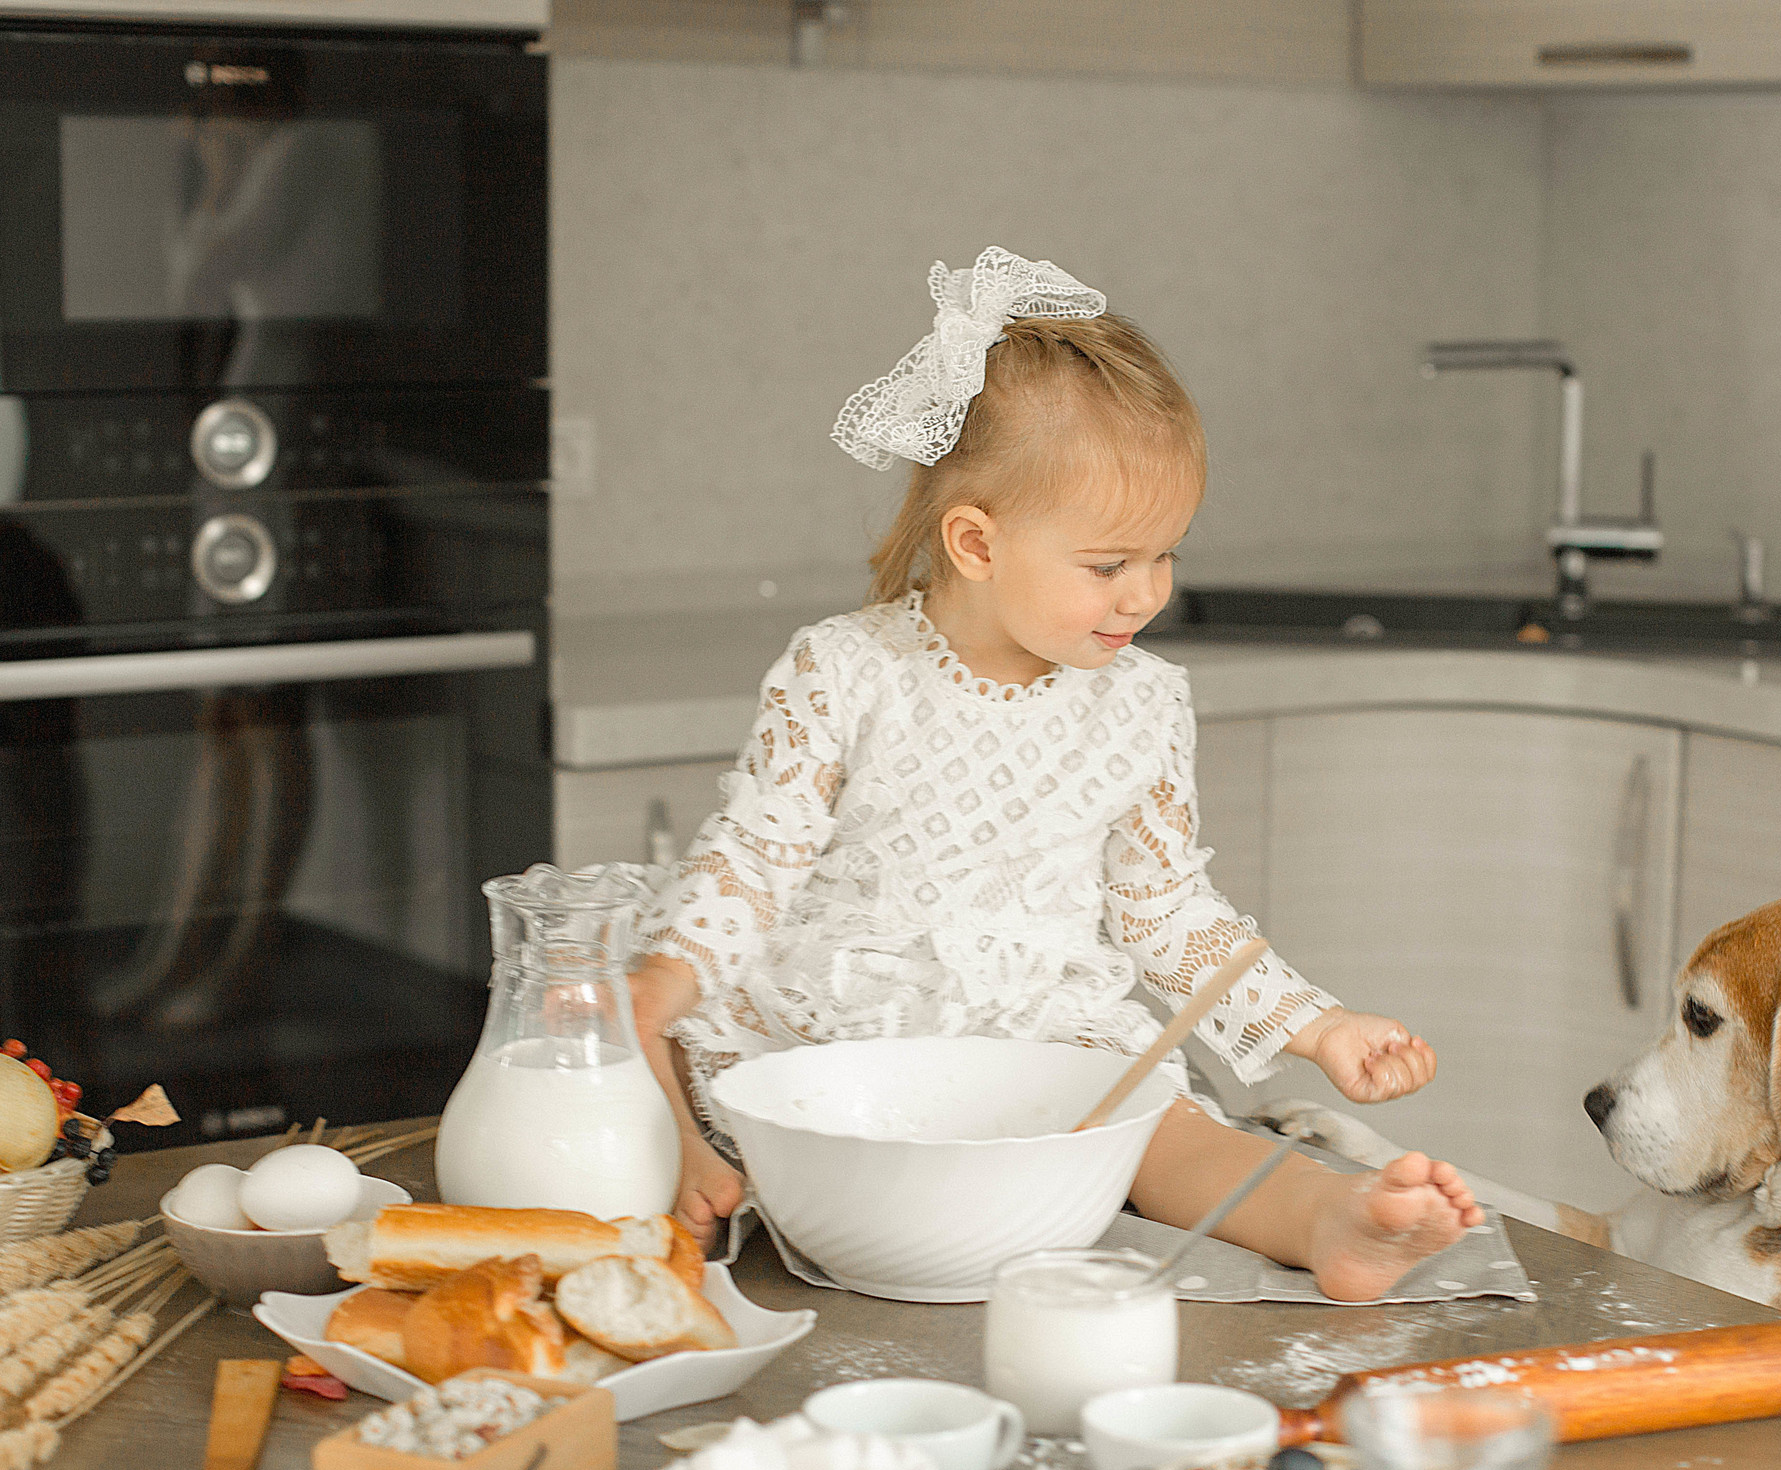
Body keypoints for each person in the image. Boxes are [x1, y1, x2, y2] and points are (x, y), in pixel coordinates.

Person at [629, 247, 1481, 1300]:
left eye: (1166, 556)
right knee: (687, 1063)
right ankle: (711, 1164)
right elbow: (756, 860)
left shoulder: (1144, 702)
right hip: (856, 1025)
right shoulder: (843, 669)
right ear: (976, 544)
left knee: (1168, 1133)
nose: (1145, 595)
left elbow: (1164, 908)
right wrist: (666, 979)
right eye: (1109, 564)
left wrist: (1318, 1025)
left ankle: (1326, 1221)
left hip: (1042, 1028)